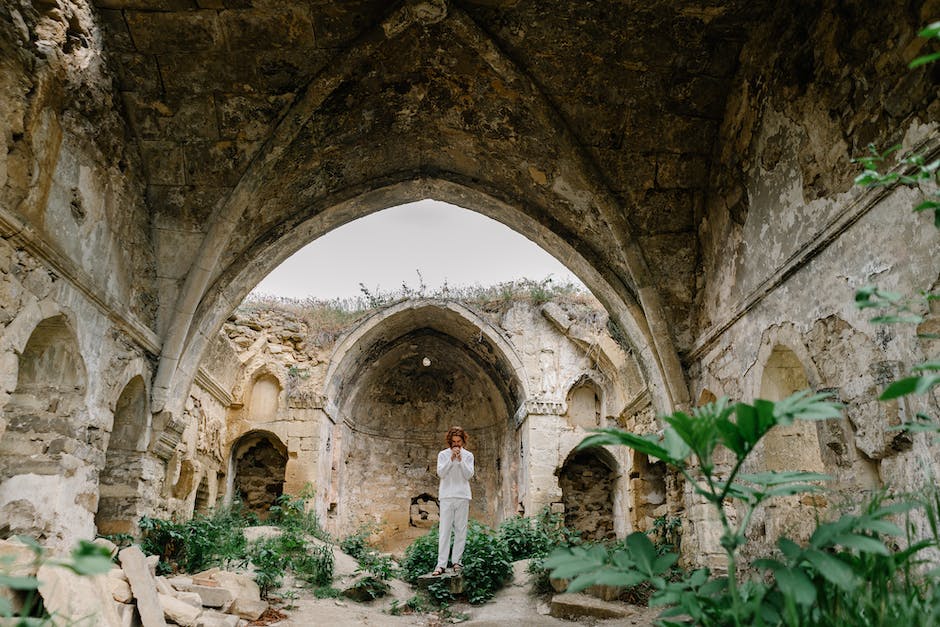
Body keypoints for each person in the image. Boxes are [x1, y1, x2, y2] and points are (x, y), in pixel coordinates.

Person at [432, 426, 474, 576]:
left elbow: (469, 475)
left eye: (459, 441)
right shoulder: (443, 455)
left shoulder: (468, 455)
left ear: (463, 441)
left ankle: (457, 562)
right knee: (444, 531)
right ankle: (441, 564)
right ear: (450, 441)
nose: (456, 444)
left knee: (461, 530)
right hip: (446, 496)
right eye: (454, 441)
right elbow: (441, 473)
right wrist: (451, 459)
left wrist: (461, 460)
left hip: (462, 495)